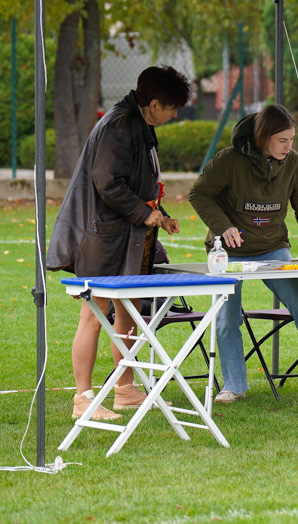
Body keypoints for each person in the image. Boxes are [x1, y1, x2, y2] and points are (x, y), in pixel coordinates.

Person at [47, 65, 193, 419]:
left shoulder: (140, 123)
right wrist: (145, 215)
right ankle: (82, 399)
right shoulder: (119, 125)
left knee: (128, 313)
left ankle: (124, 389)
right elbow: (108, 183)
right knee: (94, 315)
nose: (175, 115)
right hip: (104, 237)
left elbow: (138, 184)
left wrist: (160, 212)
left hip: (128, 235)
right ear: (154, 102)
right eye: (173, 107)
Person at [188, 104, 298, 403]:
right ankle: (234, 385)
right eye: (282, 140)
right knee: (226, 316)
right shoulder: (228, 160)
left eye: (292, 139)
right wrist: (223, 227)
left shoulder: (295, 163)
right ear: (263, 137)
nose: (289, 146)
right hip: (229, 252)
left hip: (273, 246)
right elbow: (199, 194)